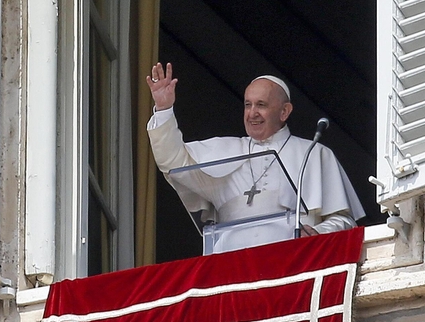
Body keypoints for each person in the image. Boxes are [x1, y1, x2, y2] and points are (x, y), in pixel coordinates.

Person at [146, 62, 365, 252]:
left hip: (292, 267)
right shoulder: (225, 151)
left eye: (261, 105)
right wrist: (164, 109)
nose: (252, 113)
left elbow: (343, 220)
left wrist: (316, 232)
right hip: (230, 271)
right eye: (248, 105)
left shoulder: (315, 154)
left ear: (284, 111)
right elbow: (173, 162)